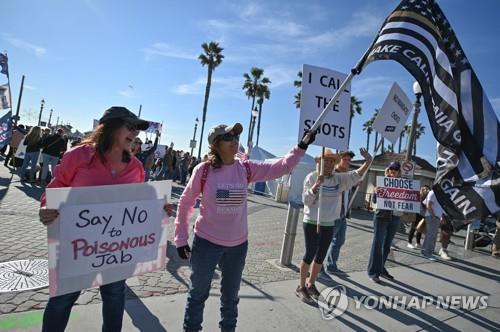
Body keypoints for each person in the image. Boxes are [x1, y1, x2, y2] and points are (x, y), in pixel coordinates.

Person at [174, 123, 315, 332]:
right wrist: (180, 238)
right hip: (206, 244)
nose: (234, 140)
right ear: (215, 144)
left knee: (230, 300)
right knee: (197, 296)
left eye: (235, 136)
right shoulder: (203, 171)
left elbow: (282, 167)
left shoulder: (246, 168)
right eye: (228, 137)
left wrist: (302, 146)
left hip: (238, 247)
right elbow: (185, 202)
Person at [38, 106, 153, 332]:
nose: (136, 133)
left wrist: (161, 209)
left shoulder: (137, 168)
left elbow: (139, 205)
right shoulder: (79, 155)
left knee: (114, 296)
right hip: (77, 247)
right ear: (110, 127)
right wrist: (46, 207)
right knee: (62, 300)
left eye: (138, 129)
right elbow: (57, 186)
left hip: (116, 249)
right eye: (130, 127)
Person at [297, 148, 371, 304]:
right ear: (320, 162)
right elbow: (305, 201)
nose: (329, 164)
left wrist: (368, 161)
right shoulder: (311, 177)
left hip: (329, 223)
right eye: (326, 160)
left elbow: (356, 174)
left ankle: (311, 284)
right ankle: (301, 287)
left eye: (332, 161)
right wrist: (316, 186)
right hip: (311, 221)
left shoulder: (339, 179)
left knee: (320, 256)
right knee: (309, 254)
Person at [368, 161, 403, 283]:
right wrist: (376, 192)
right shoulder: (381, 183)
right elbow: (374, 200)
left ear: (399, 172)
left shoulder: (403, 185)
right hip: (381, 216)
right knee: (378, 244)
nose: (393, 171)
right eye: (391, 168)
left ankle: (381, 268)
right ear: (388, 170)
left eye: (396, 169)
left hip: (395, 217)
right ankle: (373, 272)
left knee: (387, 245)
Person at [325, 150, 358, 275]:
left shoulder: (348, 174)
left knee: (339, 241)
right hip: (334, 213)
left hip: (343, 213)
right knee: (326, 241)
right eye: (345, 159)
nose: (348, 162)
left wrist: (355, 184)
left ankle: (331, 266)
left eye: (349, 160)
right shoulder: (334, 173)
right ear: (339, 160)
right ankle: (317, 266)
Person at [421, 189, 444, 260]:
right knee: (431, 235)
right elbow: (428, 205)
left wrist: (440, 216)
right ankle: (426, 252)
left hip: (435, 216)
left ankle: (428, 251)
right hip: (432, 216)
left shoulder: (438, 193)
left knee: (432, 235)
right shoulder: (433, 192)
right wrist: (434, 216)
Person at [407, 185, 430, 249]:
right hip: (416, 213)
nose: (425, 190)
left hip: (423, 215)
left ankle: (418, 243)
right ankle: (409, 242)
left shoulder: (428, 197)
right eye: (424, 189)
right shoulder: (418, 195)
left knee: (420, 229)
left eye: (427, 189)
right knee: (413, 228)